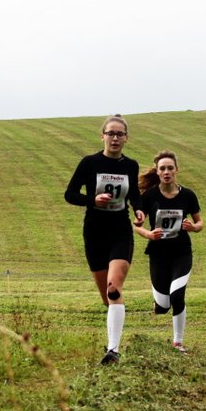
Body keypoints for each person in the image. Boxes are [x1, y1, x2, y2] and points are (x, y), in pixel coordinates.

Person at [64, 114, 145, 365]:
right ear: (103, 136)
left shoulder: (130, 166)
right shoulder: (89, 163)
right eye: (111, 133)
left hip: (120, 231)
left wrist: (139, 209)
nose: (115, 138)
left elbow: (134, 195)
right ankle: (113, 338)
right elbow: (69, 194)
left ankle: (113, 350)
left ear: (126, 138)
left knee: (114, 288)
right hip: (94, 232)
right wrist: (93, 200)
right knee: (106, 298)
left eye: (120, 134)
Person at [135, 150, 204, 353]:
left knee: (177, 295)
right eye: (162, 168)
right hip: (158, 254)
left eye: (170, 168)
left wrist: (193, 227)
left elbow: (200, 223)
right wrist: (148, 234)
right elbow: (136, 225)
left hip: (182, 252)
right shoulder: (149, 196)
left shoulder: (188, 195)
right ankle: (159, 304)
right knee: (164, 305)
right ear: (157, 172)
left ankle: (178, 342)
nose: (166, 172)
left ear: (176, 170)